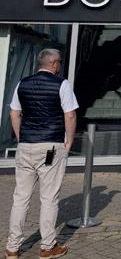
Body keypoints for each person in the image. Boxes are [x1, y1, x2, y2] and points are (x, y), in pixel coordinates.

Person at [6, 48, 79, 259]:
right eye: (60, 62)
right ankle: (48, 246)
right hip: (50, 146)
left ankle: (12, 247)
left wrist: (21, 137)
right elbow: (70, 115)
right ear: (54, 63)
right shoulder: (62, 84)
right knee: (49, 198)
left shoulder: (22, 83)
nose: (60, 65)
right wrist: (69, 142)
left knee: (20, 198)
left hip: (26, 145)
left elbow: (14, 113)